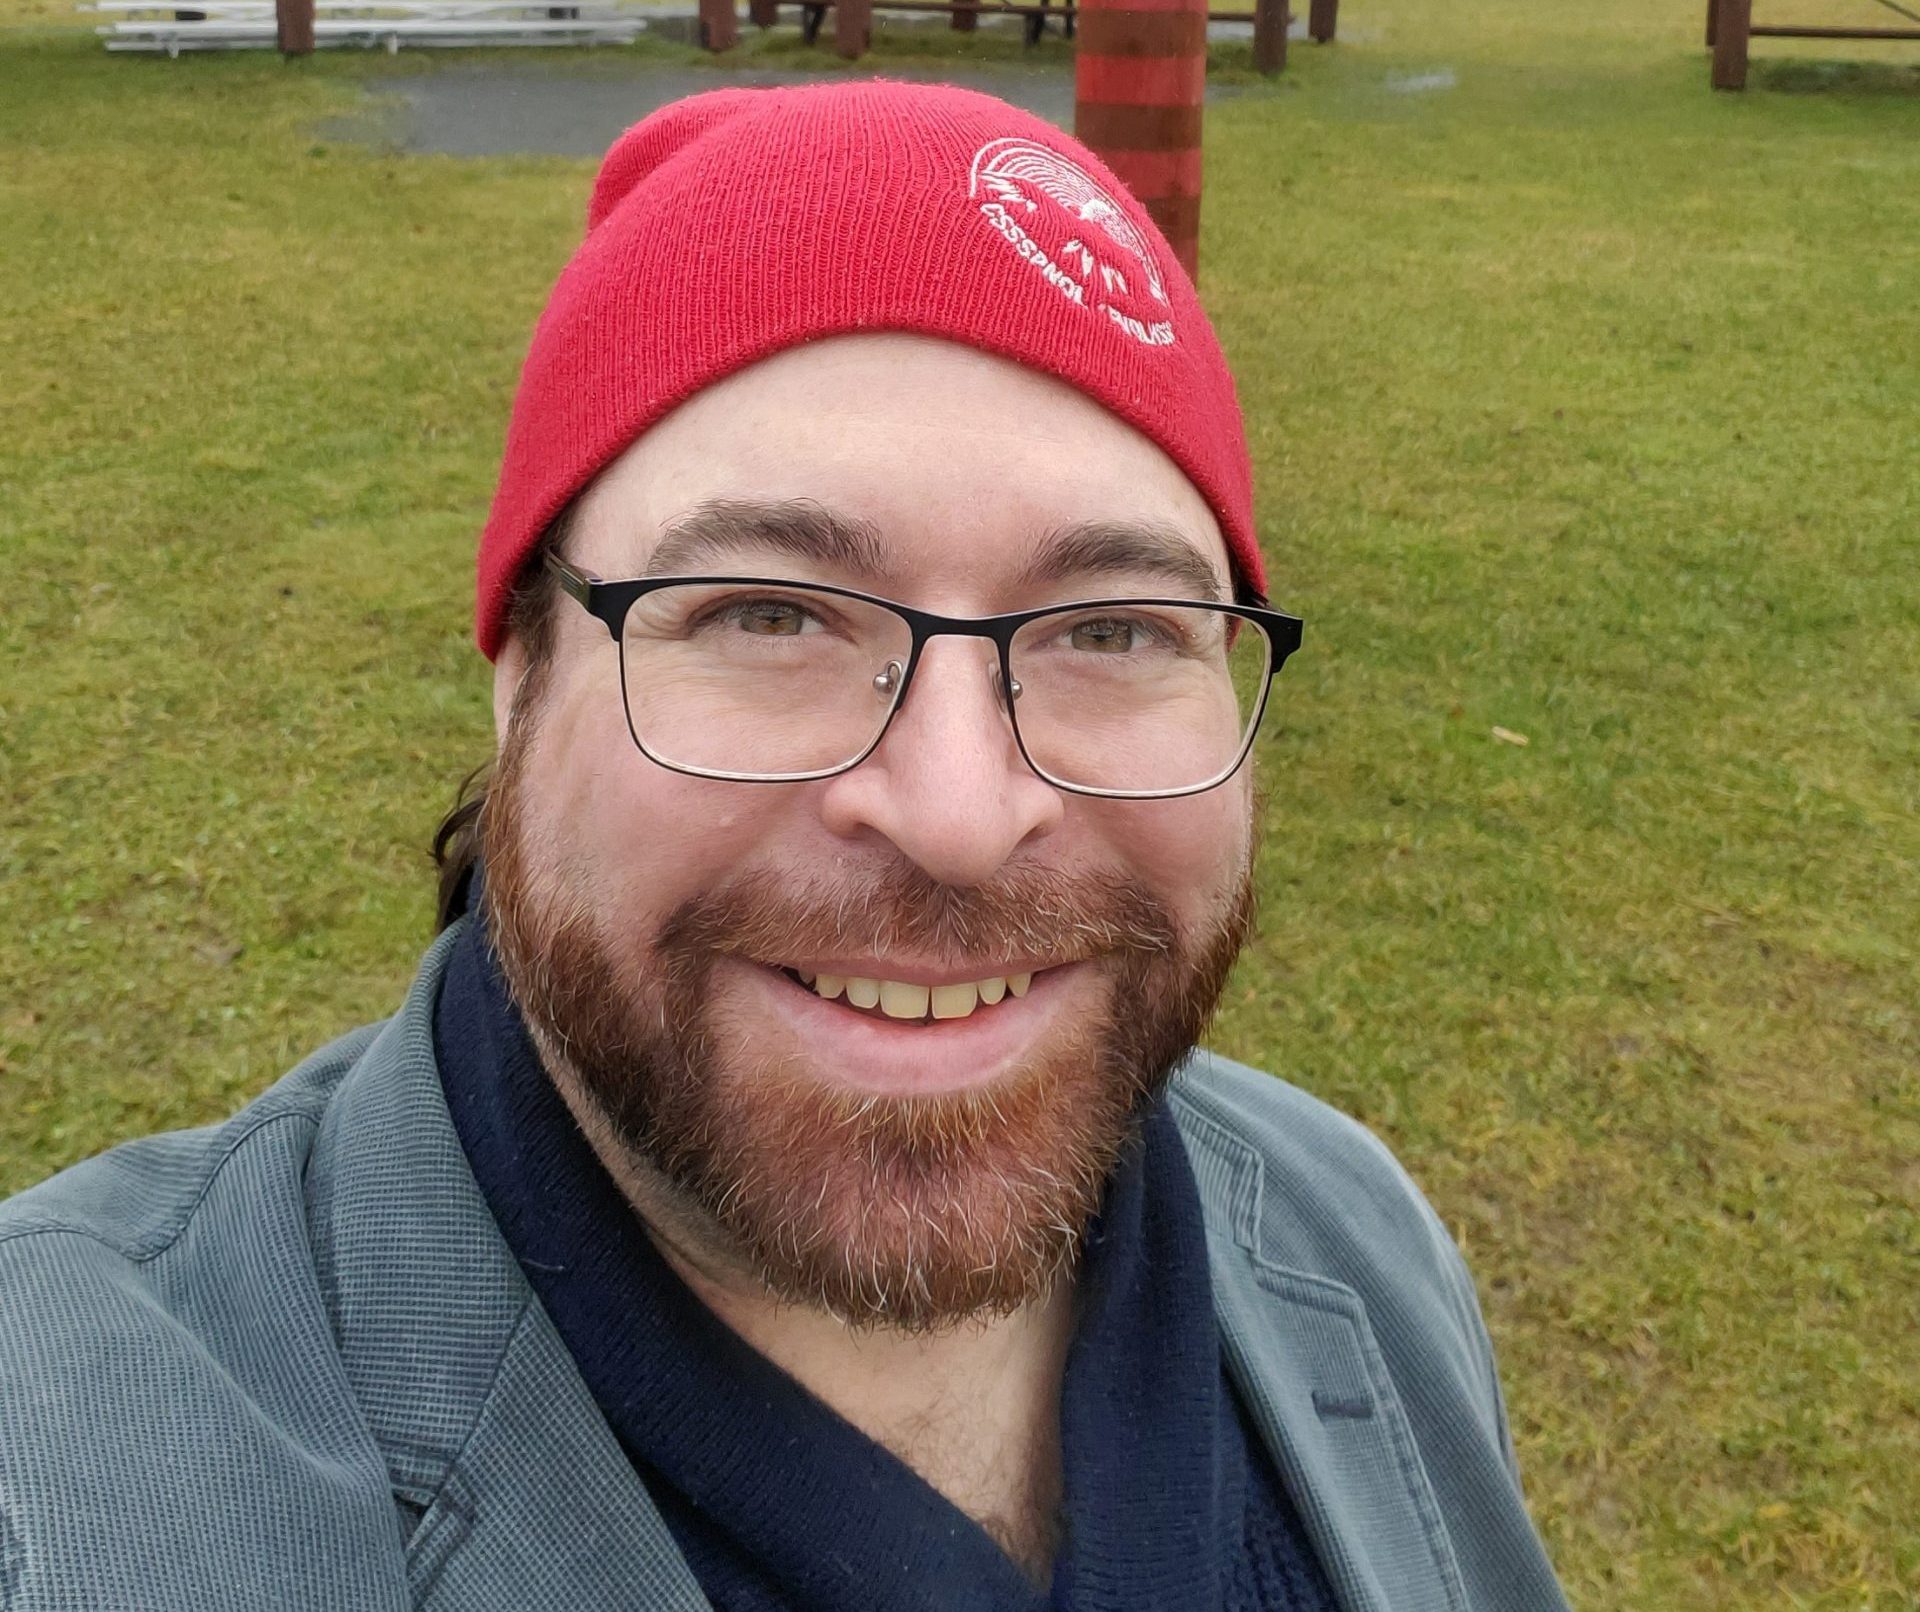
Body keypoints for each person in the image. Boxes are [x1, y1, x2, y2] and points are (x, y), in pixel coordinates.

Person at [0, 81, 1569, 1611]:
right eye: (767, 614)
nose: (958, 816)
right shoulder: (56, 1476)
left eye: (1110, 628)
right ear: (520, 671)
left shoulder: (1348, 1229)